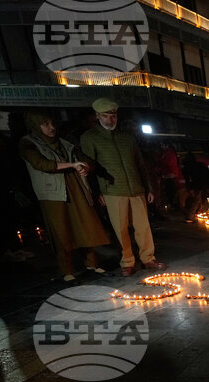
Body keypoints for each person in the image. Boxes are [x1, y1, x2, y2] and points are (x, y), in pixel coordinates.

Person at [19, 112, 110, 281]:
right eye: (45, 124)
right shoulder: (28, 143)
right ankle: (67, 270)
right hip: (53, 192)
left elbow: (86, 160)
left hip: (76, 187)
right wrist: (72, 165)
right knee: (62, 230)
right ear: (35, 126)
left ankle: (92, 263)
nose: (51, 128)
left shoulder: (65, 143)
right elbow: (41, 164)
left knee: (85, 224)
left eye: (52, 123)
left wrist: (85, 167)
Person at [80, 98, 165, 276]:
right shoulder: (90, 138)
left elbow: (140, 164)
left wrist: (149, 187)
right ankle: (127, 261)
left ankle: (148, 258)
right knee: (120, 228)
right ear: (97, 116)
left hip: (136, 188)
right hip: (112, 190)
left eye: (113, 116)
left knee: (143, 226)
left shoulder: (127, 138)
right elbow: (89, 168)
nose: (110, 120)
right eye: (105, 116)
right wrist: (96, 192)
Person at [182, 152, 209, 222]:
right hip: (206, 183)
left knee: (196, 199)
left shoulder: (186, 168)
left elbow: (187, 180)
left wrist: (190, 189)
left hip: (199, 184)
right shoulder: (199, 165)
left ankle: (190, 216)